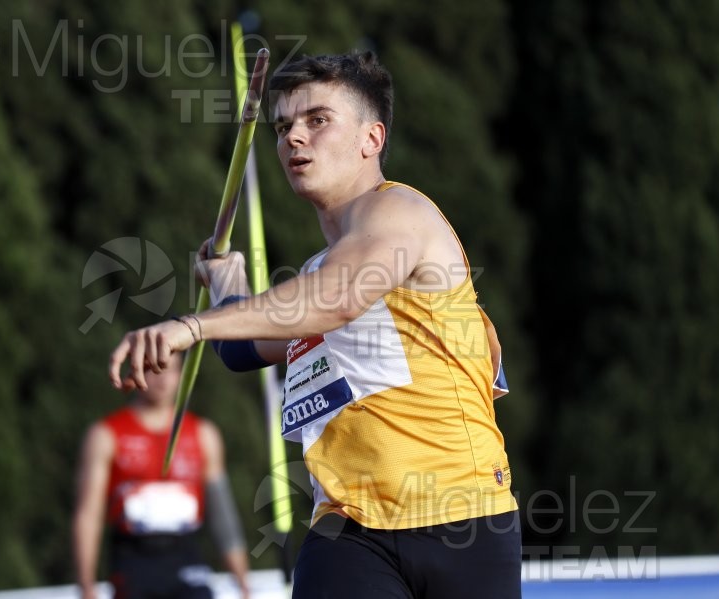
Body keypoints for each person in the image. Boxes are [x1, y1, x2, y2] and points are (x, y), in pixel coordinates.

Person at [109, 51, 521, 598]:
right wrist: (228, 283)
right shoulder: (315, 272)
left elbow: (341, 298)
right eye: (283, 127)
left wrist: (190, 326)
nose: (293, 139)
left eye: (317, 120)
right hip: (349, 531)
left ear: (371, 139)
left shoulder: (401, 213)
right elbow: (247, 348)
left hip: (459, 518)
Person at [74, 351, 251, 599]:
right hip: (134, 557)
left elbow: (222, 514)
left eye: (171, 369)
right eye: (154, 369)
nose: (163, 379)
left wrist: (242, 581)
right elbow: (88, 514)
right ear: (135, 371)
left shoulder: (203, 434)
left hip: (184, 553)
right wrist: (86, 585)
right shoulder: (106, 435)